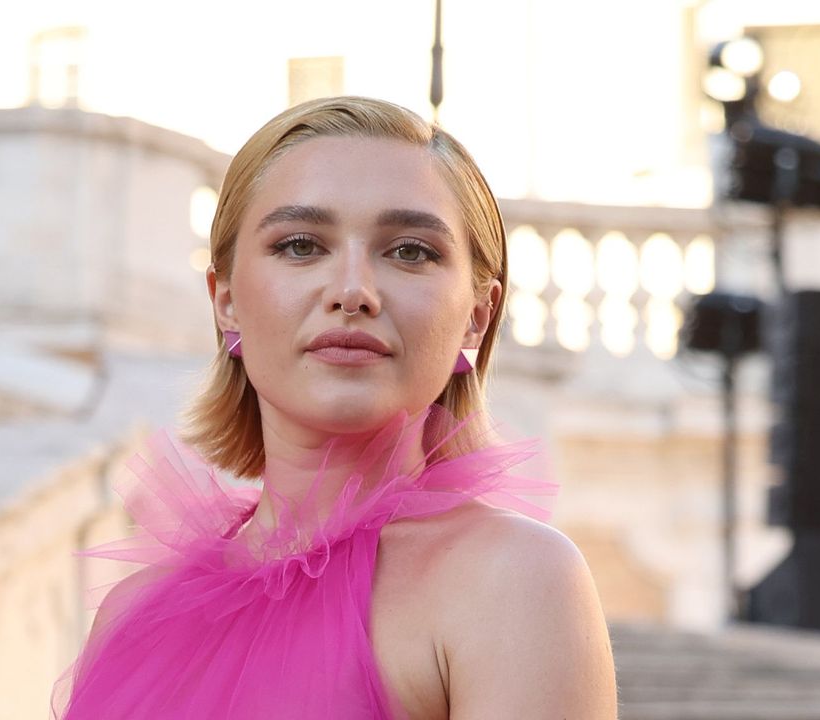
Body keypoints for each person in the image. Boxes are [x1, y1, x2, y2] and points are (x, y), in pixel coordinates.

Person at [51, 96, 618, 719]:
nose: (353, 291)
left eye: (409, 251)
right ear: (226, 301)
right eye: (300, 245)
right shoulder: (132, 615)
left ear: (476, 318)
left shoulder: (513, 581)